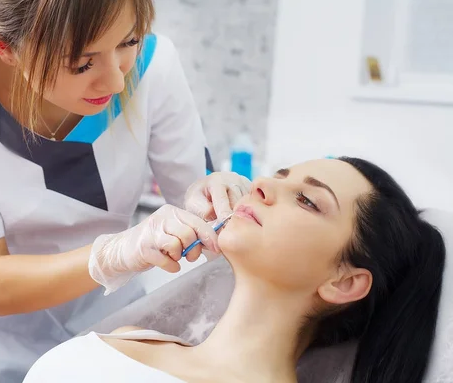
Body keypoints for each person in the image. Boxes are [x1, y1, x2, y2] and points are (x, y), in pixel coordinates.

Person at [0, 0, 251, 382]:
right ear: (3, 46)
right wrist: (111, 255)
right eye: (81, 63)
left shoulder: (154, 64)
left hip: (108, 340)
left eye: (128, 42)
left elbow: (199, 205)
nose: (116, 83)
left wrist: (213, 198)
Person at [23, 157, 446, 383]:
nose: (261, 183)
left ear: (345, 281)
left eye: (307, 200)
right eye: (280, 174)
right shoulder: (126, 341)